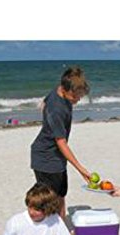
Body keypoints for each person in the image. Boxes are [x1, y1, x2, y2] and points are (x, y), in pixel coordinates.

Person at [30, 66, 92, 221]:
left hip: (56, 155)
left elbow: (43, 103)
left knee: (61, 194)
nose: (77, 100)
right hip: (46, 157)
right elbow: (61, 142)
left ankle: (61, 227)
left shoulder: (59, 90)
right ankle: (53, 229)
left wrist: (48, 125)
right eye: (74, 97)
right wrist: (81, 169)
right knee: (50, 200)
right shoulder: (56, 109)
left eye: (79, 96)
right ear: (64, 90)